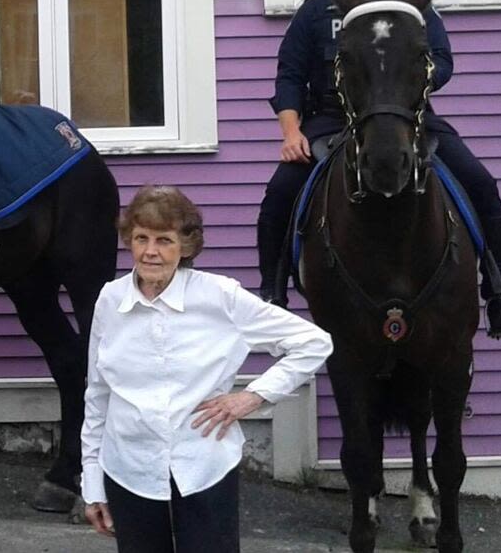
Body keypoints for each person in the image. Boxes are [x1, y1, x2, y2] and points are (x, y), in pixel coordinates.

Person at [255, 0, 501, 339]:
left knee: (479, 180)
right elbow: (289, 76)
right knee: (280, 193)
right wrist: (291, 133)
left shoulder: (409, 1)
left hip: (405, 117)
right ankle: (271, 298)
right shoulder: (313, 11)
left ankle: (499, 292)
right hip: (329, 119)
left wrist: (406, 85)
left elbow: (442, 60)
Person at [81, 185, 331, 552]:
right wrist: (92, 484)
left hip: (204, 465)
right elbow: (98, 393)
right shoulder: (110, 300)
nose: (150, 251)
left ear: (185, 246)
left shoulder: (220, 297)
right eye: (141, 238)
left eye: (164, 240)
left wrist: (251, 397)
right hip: (129, 468)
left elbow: (314, 342)